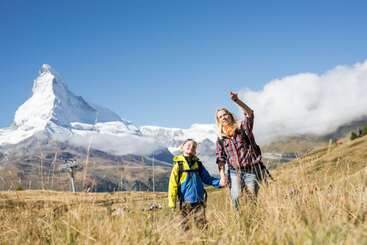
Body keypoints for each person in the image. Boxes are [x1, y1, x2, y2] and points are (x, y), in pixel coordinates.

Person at [216, 91, 266, 211]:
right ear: (219, 121)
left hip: (250, 170)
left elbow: (250, 113)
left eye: (225, 114)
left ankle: (254, 221)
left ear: (230, 115)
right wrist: (222, 176)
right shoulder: (221, 138)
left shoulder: (243, 128)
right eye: (220, 116)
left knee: (252, 199)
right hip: (234, 173)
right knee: (235, 199)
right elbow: (220, 159)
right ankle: (239, 223)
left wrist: (237, 100)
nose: (224, 117)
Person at [168, 139, 225, 230]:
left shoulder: (198, 164)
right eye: (188, 145)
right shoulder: (178, 165)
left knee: (202, 226)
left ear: (195, 151)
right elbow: (172, 185)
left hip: (199, 200)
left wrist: (219, 183)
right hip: (185, 201)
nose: (191, 147)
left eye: (194, 147)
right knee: (185, 227)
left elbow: (207, 178)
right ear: (182, 147)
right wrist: (172, 203)